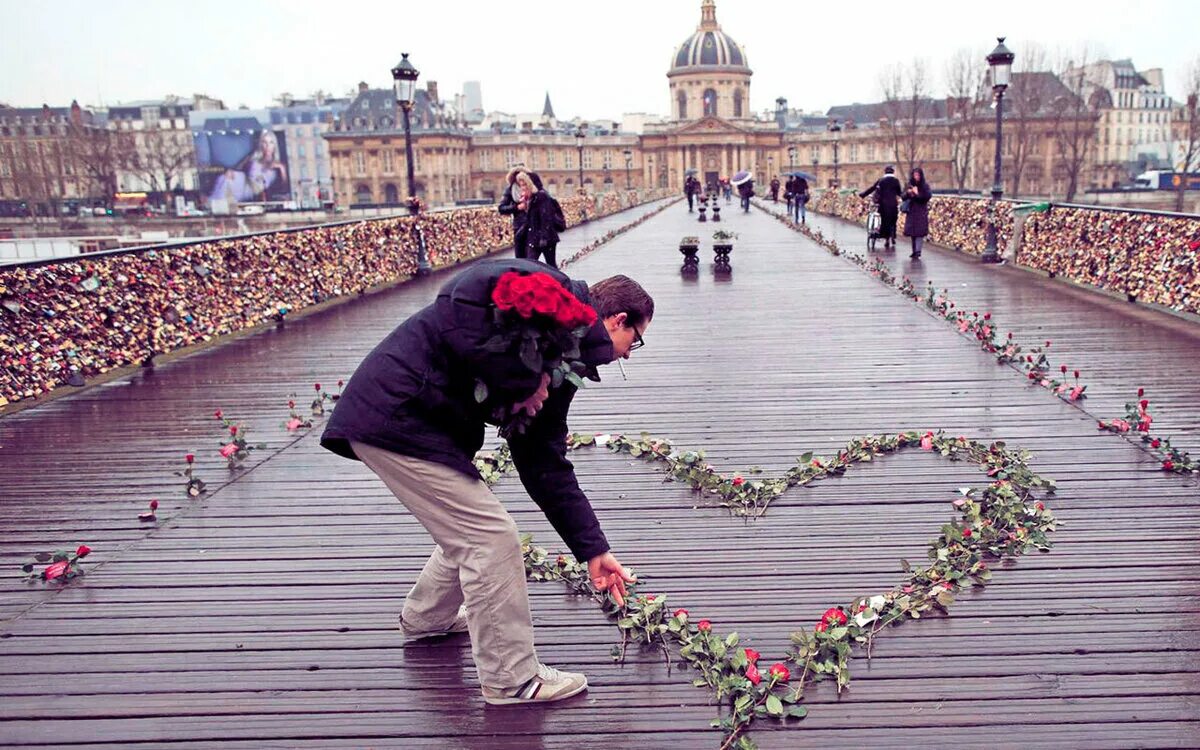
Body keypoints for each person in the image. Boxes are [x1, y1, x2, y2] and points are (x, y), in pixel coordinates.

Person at [321, 259, 654, 706]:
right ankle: (512, 679)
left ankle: (426, 618)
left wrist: (594, 550)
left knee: (470, 528)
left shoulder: (562, 364)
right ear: (618, 320)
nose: (631, 353)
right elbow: (462, 291)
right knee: (490, 537)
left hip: (412, 422)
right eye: (637, 339)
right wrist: (521, 383)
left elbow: (544, 464)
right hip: (396, 413)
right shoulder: (554, 294)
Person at [520, 171, 566, 268]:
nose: (522, 188)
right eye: (521, 185)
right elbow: (531, 220)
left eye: (524, 185)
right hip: (535, 238)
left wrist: (544, 238)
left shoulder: (541, 196)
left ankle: (559, 282)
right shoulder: (531, 198)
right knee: (530, 265)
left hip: (545, 238)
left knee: (551, 266)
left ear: (531, 184)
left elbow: (546, 217)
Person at [859, 166, 903, 250]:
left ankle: (886, 238)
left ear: (885, 172)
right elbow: (899, 192)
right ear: (893, 172)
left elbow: (873, 188)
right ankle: (892, 235)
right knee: (893, 220)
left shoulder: (881, 180)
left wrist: (863, 194)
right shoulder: (896, 181)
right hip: (893, 204)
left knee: (884, 221)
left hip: (883, 204)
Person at [497, 167, 530, 259]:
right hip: (519, 226)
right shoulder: (511, 190)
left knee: (532, 258)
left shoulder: (533, 188)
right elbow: (501, 208)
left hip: (534, 226)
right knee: (521, 257)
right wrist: (516, 207)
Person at [904, 167, 933, 259]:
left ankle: (918, 251)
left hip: (920, 211)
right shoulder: (909, 185)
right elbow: (903, 196)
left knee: (919, 232)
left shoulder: (925, 186)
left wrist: (917, 194)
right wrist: (908, 193)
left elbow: (926, 197)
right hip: (912, 211)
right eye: (914, 175)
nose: (916, 177)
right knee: (913, 233)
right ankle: (914, 251)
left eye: (918, 175)